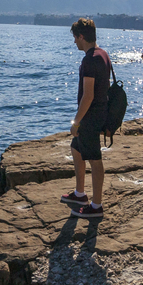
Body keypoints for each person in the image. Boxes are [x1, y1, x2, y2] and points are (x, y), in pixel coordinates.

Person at [62, 18, 110, 218]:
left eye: (75, 37)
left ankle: (96, 207)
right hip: (98, 114)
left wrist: (77, 121)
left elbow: (88, 95)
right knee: (76, 148)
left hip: (90, 117)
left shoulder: (90, 59)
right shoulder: (103, 54)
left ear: (81, 36)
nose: (74, 42)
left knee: (94, 159)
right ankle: (80, 194)